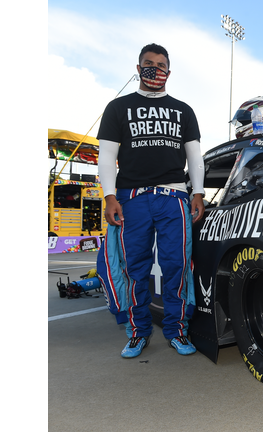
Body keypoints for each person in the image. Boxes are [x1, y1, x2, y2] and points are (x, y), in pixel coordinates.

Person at [96, 43, 205, 359]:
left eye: (160, 65)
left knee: (178, 266)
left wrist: (197, 192)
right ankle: (137, 331)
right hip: (132, 198)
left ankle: (177, 330)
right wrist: (109, 196)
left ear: (168, 72)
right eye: (148, 63)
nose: (154, 69)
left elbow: (195, 157)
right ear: (138, 67)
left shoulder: (183, 110)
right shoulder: (118, 108)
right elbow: (106, 157)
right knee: (134, 269)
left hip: (174, 197)